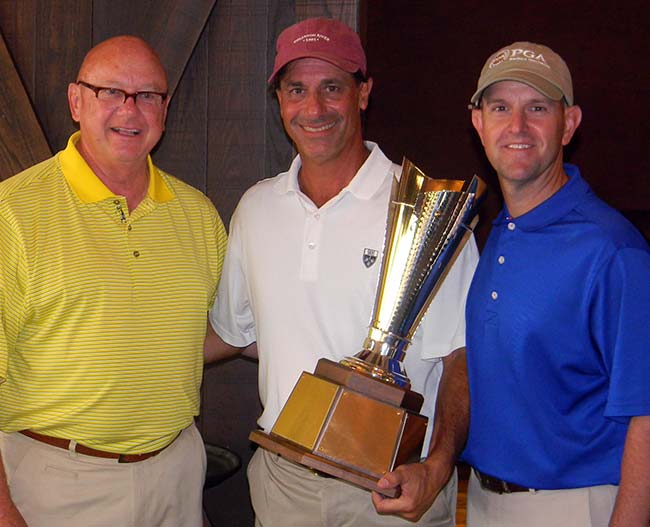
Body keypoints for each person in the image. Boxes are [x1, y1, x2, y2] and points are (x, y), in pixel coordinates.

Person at [204, 17, 479, 527]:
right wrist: (122, 357)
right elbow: (233, 332)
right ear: (280, 101)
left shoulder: (426, 210)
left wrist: (439, 468)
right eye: (297, 90)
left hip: (390, 492)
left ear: (364, 93)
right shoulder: (257, 209)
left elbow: (462, 355)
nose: (314, 108)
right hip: (284, 482)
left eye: (332, 87)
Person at [408, 41, 650, 526]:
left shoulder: (613, 250)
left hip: (572, 507)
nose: (517, 127)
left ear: (570, 123)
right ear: (478, 123)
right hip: (481, 502)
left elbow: (646, 417)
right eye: (500, 108)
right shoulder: (497, 232)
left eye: (537, 108)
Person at [0, 35, 227, 527]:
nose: (131, 109)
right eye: (110, 92)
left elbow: (222, 329)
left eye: (148, 95)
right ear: (76, 101)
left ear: (164, 109)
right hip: (57, 482)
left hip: (176, 472)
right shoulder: (13, 213)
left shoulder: (199, 216)